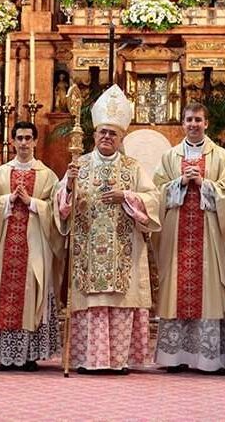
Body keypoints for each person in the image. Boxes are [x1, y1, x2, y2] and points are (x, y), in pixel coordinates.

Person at [54, 84, 161, 374]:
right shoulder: (80, 165)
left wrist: (126, 196)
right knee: (92, 303)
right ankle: (89, 360)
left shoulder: (132, 167)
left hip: (123, 250)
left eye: (113, 133)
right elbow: (62, 204)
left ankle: (119, 361)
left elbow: (153, 200)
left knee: (121, 301)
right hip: (88, 250)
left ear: (121, 137)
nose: (107, 137)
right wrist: (70, 187)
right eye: (102, 132)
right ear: (94, 134)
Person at [152, 102, 225, 374]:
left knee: (210, 290)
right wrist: (178, 183)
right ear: (183, 123)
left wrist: (204, 184)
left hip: (210, 237)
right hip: (177, 237)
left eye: (198, 119)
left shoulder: (221, 156)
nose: (193, 124)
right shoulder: (169, 157)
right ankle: (174, 357)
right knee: (175, 290)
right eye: (189, 119)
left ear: (206, 123)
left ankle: (209, 359)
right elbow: (155, 194)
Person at [0, 121, 63, 371]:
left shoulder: (47, 174)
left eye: (29, 138)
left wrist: (32, 203)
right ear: (13, 141)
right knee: (4, 293)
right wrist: (8, 200)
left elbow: (56, 210)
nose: (24, 143)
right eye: (19, 138)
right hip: (4, 243)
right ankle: (5, 355)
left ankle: (29, 355)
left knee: (32, 293)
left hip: (35, 244)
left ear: (36, 141)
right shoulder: (1, 173)